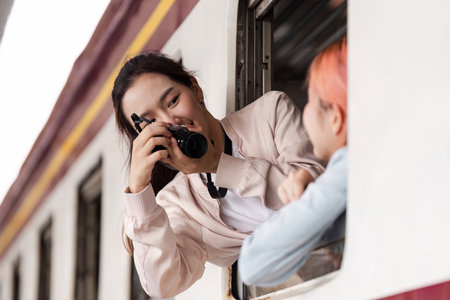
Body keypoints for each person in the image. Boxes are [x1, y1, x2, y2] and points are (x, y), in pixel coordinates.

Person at [111, 52, 324, 297]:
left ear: (196, 90)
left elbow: (317, 193)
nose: (171, 121)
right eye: (152, 123)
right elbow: (162, 285)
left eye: (172, 101)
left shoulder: (270, 113)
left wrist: (218, 165)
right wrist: (139, 193)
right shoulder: (177, 201)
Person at [238, 37, 348, 287]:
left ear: (335, 118)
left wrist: (305, 199)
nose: (304, 110)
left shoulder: (348, 167)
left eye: (309, 100)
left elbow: (254, 264)